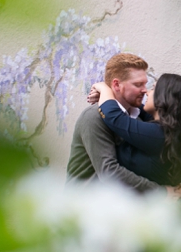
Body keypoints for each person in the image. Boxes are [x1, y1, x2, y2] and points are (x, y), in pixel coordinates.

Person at [65, 53, 159, 193]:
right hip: (85, 208)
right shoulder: (93, 118)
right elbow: (108, 172)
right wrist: (159, 191)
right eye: (138, 84)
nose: (144, 90)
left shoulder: (136, 117)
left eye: (145, 84)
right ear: (116, 85)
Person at [91, 73, 181, 190]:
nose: (147, 92)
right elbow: (138, 108)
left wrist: (103, 88)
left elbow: (113, 117)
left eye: (153, 89)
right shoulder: (172, 131)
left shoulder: (157, 134)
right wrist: (116, 97)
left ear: (164, 98)